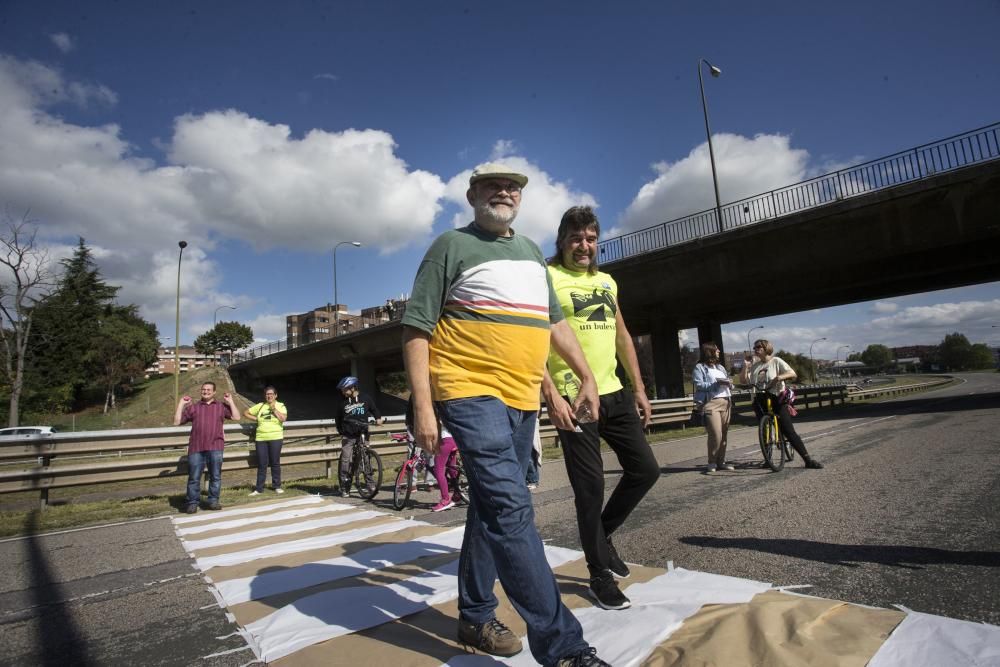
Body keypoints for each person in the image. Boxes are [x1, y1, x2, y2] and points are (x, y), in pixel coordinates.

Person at [403, 163, 609, 667]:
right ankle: (564, 648)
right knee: (513, 509)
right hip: (468, 390)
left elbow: (554, 324)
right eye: (493, 186)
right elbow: (415, 329)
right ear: (472, 194)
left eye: (513, 187)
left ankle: (474, 614)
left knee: (491, 508)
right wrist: (425, 407)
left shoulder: (531, 256)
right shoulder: (450, 246)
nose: (504, 192)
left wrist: (585, 375)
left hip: (521, 398)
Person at [541, 205, 660, 613]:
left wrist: (639, 388)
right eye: (576, 238)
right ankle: (597, 574)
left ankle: (601, 534)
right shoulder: (547, 277)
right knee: (589, 489)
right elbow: (534, 338)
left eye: (591, 238)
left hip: (614, 392)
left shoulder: (608, 282)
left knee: (646, 470)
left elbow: (623, 335)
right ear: (562, 241)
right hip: (574, 397)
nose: (584, 245)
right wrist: (550, 394)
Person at [739, 339, 824, 469]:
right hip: (760, 399)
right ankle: (768, 458)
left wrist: (778, 378)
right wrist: (745, 366)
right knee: (764, 429)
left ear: (766, 348)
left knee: (788, 430)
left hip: (776, 398)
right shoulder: (755, 366)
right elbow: (744, 381)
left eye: (758, 347)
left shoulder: (776, 361)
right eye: (754, 347)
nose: (755, 349)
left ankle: (808, 460)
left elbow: (792, 373)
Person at [174, 382, 240, 513]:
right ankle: (192, 503)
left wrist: (230, 401)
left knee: (215, 476)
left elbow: (237, 417)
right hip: (196, 447)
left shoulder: (221, 406)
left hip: (215, 446)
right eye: (203, 389)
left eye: (209, 390)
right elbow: (176, 422)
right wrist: (181, 404)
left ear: (214, 392)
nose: (206, 392)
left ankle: (213, 501)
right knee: (194, 477)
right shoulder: (194, 407)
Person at [334, 375, 383, 497]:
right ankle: (345, 486)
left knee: (366, 459)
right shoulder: (343, 403)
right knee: (346, 459)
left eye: (345, 389)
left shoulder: (366, 398)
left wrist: (378, 418)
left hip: (363, 433)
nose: (343, 392)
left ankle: (370, 484)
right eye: (342, 390)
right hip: (348, 435)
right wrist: (342, 431)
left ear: (353, 388)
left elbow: (374, 410)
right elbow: (337, 419)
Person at [693, 342, 734, 472]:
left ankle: (721, 462)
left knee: (724, 435)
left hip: (726, 402)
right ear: (709, 351)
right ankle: (712, 462)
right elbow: (699, 385)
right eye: (716, 350)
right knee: (716, 434)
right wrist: (717, 384)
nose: (719, 352)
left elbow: (727, 382)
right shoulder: (700, 368)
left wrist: (729, 384)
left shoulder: (720, 367)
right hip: (711, 403)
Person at [244, 386, 287, 495]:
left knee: (275, 462)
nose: (269, 396)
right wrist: (256, 418)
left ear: (275, 395)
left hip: (276, 438)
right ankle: (259, 489)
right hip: (261, 438)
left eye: (271, 394)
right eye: (267, 394)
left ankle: (277, 486)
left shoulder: (280, 405)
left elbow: (283, 419)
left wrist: (273, 409)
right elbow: (245, 413)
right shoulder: (260, 406)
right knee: (262, 464)